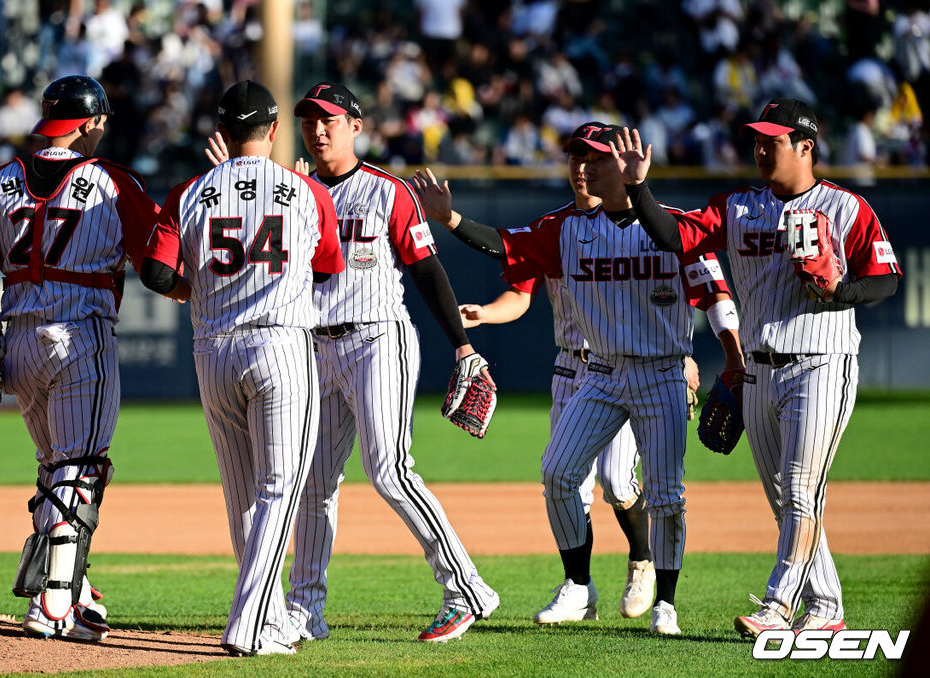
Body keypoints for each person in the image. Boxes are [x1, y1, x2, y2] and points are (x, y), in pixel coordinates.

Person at [413, 122, 742, 635]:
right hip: (599, 374)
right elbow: (503, 244)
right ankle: (579, 584)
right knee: (558, 473)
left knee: (662, 493)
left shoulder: (674, 228)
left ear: (624, 163)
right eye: (575, 158)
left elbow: (715, 294)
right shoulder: (563, 230)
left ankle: (666, 600)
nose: (582, 167)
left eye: (595, 158)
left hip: (660, 374)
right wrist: (451, 219)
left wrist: (731, 360)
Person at [614, 98, 902, 636]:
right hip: (758, 372)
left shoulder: (846, 208)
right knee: (785, 501)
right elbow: (676, 237)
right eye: (757, 140)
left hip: (822, 362)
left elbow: (886, 278)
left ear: (805, 147)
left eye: (773, 141)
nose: (761, 149)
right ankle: (827, 607)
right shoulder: (738, 206)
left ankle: (778, 606)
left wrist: (841, 291)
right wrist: (637, 189)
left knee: (798, 489)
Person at [285, 81, 500, 643]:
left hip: (377, 338)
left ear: (356, 126)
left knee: (389, 470)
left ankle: (466, 588)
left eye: (330, 119)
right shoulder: (294, 193)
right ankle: (306, 609)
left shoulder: (388, 191)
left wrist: (463, 344)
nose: (318, 129)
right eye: (309, 120)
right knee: (314, 482)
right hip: (315, 346)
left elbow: (427, 270)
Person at [139, 80, 344, 657]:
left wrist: (188, 289)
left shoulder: (189, 191)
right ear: (275, 131)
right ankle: (250, 623)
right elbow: (328, 268)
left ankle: (272, 619)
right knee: (281, 490)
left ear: (220, 133)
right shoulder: (306, 191)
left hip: (213, 350)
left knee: (243, 497)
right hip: (280, 346)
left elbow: (155, 274)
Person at [0, 74, 163, 641]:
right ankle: (52, 603)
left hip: (19, 338)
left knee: (56, 469)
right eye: (102, 122)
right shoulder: (111, 183)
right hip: (81, 333)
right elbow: (158, 262)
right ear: (90, 122)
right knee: (82, 466)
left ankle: (72, 589)